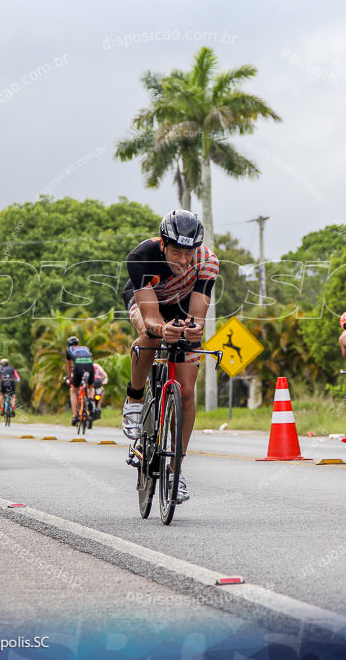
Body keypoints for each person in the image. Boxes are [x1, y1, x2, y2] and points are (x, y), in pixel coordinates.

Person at [121, 210, 218, 503]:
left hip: (182, 307)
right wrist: (162, 329)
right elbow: (150, 318)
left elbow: (199, 316)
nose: (183, 261)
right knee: (150, 335)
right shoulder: (141, 257)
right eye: (176, 252)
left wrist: (193, 329)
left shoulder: (207, 263)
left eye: (189, 253)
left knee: (187, 393)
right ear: (163, 244)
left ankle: (176, 471)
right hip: (149, 302)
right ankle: (135, 398)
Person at [65, 336, 94, 426]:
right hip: (89, 365)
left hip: (78, 366)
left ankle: (75, 416)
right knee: (90, 386)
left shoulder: (69, 349)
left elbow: (69, 367)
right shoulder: (85, 348)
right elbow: (91, 359)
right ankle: (90, 399)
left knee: (73, 391)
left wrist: (70, 379)